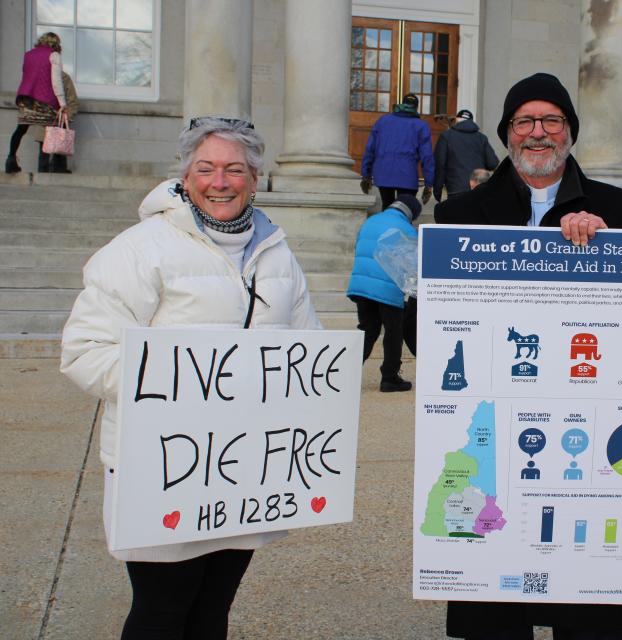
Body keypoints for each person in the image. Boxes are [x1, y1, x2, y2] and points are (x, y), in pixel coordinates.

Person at [60, 117, 318, 639]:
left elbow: (305, 349)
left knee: (213, 607)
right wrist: (182, 387)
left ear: (255, 177)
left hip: (243, 464)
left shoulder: (277, 252)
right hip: (164, 462)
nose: (219, 182)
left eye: (234, 170)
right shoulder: (140, 248)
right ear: (185, 174)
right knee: (162, 609)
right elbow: (86, 351)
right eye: (205, 168)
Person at [434, 72, 622, 640]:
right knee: (495, 605)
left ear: (570, 132)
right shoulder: (458, 216)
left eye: (552, 121)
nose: (539, 133)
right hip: (492, 428)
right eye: (525, 122)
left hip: (581, 429)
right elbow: (432, 341)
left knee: (583, 604)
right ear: (507, 134)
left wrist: (608, 250)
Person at [347, 193, 421, 392]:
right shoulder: (407, 230)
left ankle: (345, 374)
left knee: (367, 330)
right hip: (388, 288)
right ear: (410, 213)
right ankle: (389, 377)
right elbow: (411, 265)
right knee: (393, 331)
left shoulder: (370, 221)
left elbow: (358, 248)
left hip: (361, 285)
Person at [6, 32, 67, 174]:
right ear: (55, 43)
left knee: (21, 129)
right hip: (44, 99)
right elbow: (56, 81)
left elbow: (27, 75)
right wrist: (62, 103)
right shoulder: (54, 56)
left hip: (26, 98)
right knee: (56, 128)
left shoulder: (28, 55)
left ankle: (10, 160)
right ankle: (56, 166)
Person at [360, 93, 435, 207]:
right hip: (407, 175)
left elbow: (370, 149)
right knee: (405, 211)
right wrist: (429, 183)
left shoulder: (383, 121)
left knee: (386, 208)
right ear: (416, 107)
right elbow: (427, 156)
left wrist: (366, 174)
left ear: (402, 104)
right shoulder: (421, 125)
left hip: (383, 173)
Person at [432, 108, 499, 201]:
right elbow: (493, 163)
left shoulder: (446, 137)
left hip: (456, 188)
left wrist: (437, 189)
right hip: (478, 188)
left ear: (456, 120)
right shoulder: (482, 138)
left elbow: (440, 165)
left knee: (457, 215)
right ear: (472, 122)